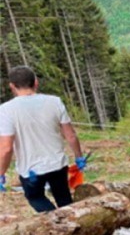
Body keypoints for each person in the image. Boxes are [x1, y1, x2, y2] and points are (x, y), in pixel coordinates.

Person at [0, 66, 87, 212]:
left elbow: (6, 148)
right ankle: (72, 222)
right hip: (57, 164)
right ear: (36, 82)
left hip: (31, 170)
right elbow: (70, 135)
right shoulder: (55, 102)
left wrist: (1, 173)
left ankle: (57, 222)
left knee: (36, 198)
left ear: (12, 86)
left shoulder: (6, 110)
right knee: (64, 198)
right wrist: (79, 157)